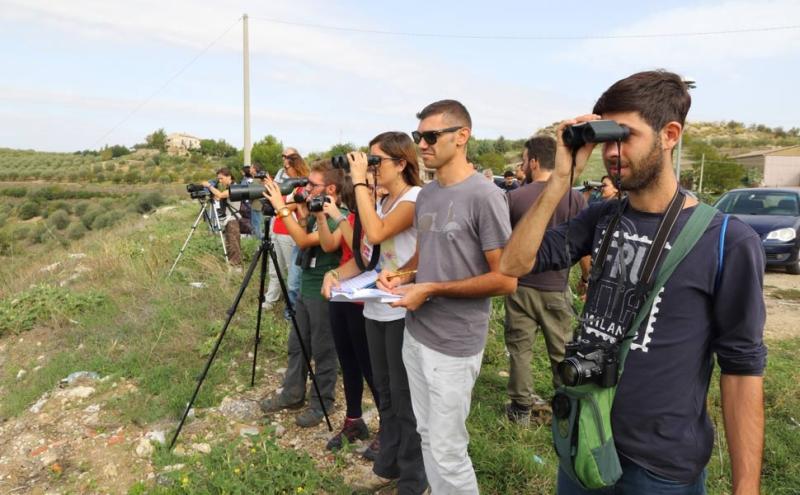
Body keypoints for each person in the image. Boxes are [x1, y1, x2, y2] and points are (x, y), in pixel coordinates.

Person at [500, 70, 766, 494]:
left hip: (659, 467)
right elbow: (513, 264)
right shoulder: (601, 216)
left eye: (625, 136)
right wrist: (558, 183)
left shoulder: (727, 242)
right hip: (585, 435)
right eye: (606, 138)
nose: (611, 152)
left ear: (669, 134)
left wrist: (746, 486)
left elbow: (742, 370)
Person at [378, 100, 517, 494]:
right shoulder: (427, 195)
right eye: (419, 136)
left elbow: (506, 280)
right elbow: (427, 256)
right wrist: (402, 274)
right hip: (416, 334)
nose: (421, 143)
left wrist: (432, 289)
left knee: (448, 449)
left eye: (430, 136)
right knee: (427, 436)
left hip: (454, 345)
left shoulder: (485, 196)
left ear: (462, 137)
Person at [322, 132, 427, 493]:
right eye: (368, 161)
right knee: (384, 392)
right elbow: (368, 258)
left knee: (404, 396)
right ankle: (389, 464)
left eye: (376, 161)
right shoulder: (380, 203)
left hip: (402, 310)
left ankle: (414, 479)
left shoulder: (415, 199)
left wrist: (360, 182)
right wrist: (335, 273)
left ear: (402, 163)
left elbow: (380, 232)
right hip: (375, 309)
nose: (370, 168)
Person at [503, 135, 590, 424]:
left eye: (525, 159)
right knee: (562, 350)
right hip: (556, 288)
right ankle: (567, 404)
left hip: (520, 286)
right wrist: (587, 277)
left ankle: (520, 408)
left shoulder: (514, 197)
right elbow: (584, 244)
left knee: (519, 349)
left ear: (535, 161)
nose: (523, 165)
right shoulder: (574, 197)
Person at [258, 160, 346, 428]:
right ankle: (293, 393)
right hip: (306, 287)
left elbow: (305, 241)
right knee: (297, 344)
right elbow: (305, 232)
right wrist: (302, 212)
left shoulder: (338, 216)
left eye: (312, 184)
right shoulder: (317, 210)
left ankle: (323, 402)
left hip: (323, 292)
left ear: (330, 188)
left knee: (323, 348)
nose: (306, 187)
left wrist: (282, 208)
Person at [263, 148, 308, 320]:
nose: (284, 163)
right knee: (275, 268)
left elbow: (289, 207)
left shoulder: (300, 186)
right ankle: (270, 299)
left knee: (293, 274)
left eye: (286, 159)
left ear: (294, 164)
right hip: (277, 229)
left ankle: (293, 309)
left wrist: (277, 202)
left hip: (290, 232)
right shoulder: (285, 184)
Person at [203, 168, 241, 268]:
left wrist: (209, 186)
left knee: (233, 244)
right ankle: (232, 264)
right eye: (218, 179)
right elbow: (219, 197)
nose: (220, 181)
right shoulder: (229, 187)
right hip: (229, 219)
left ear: (229, 176)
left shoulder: (235, 188)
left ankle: (236, 266)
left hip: (232, 219)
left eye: (221, 178)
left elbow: (220, 195)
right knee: (229, 243)